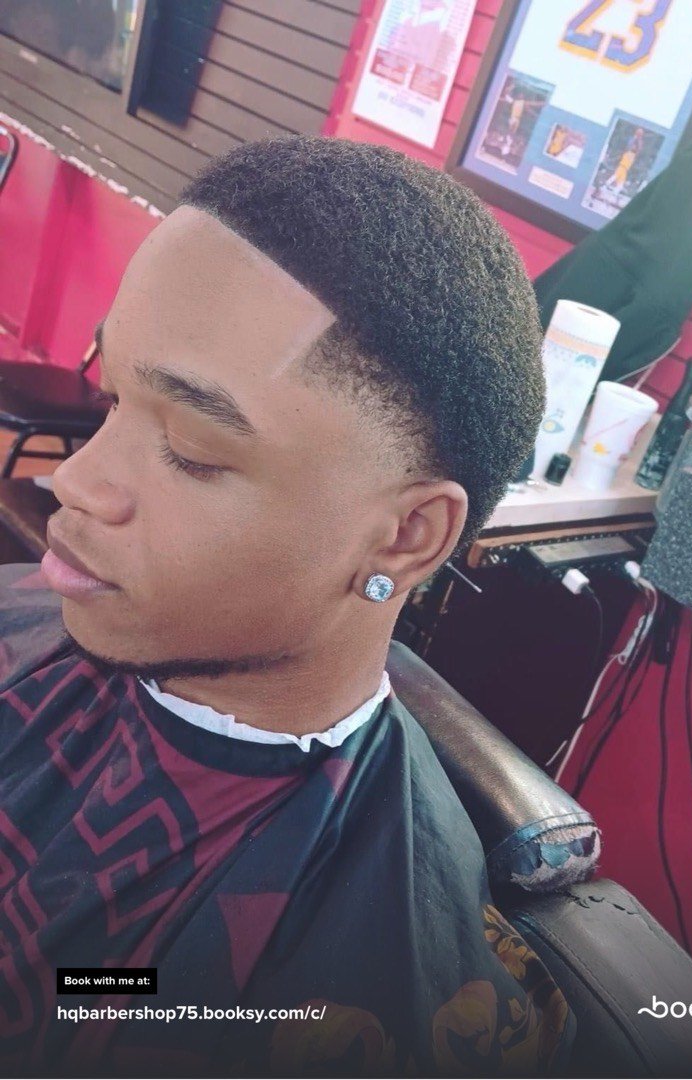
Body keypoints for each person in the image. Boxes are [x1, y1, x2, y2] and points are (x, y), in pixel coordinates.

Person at [0, 135, 572, 1077]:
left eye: (191, 449)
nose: (77, 481)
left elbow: (83, 988)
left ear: (405, 536)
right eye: (113, 399)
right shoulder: (58, 621)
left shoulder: (322, 1002)